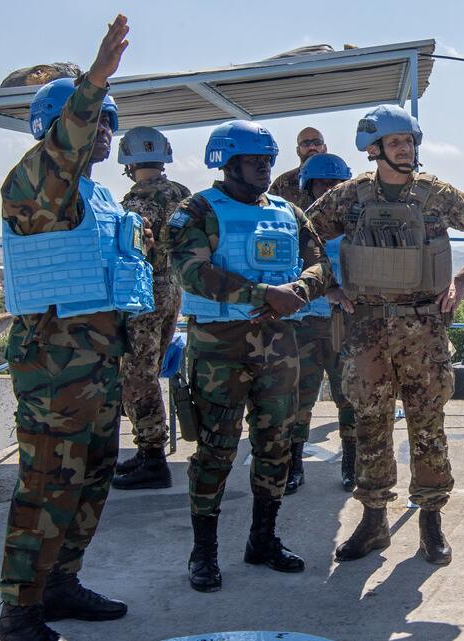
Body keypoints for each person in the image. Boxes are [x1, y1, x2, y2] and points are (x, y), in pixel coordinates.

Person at [0, 16, 143, 640]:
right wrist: (95, 80)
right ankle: (18, 615)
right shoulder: (37, 182)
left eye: (109, 120)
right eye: (93, 120)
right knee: (47, 486)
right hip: (54, 367)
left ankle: (60, 584)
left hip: (98, 364)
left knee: (92, 479)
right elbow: (64, 149)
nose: (103, 130)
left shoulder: (97, 196)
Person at [306, 104, 464, 567]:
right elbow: (303, 232)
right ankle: (374, 521)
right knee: (370, 422)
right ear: (374, 149)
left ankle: (431, 521)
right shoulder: (349, 197)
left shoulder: (436, 195)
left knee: (428, 424)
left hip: (423, 326)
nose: (405, 149)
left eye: (409, 141)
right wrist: (328, 285)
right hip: (367, 326)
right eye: (395, 142)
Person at [169, 120, 331, 592]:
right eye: (253, 160)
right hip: (219, 346)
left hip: (279, 345)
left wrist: (299, 290)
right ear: (226, 162)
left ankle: (263, 539)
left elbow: (320, 264)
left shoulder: (288, 211)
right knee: (216, 449)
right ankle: (204, 553)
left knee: (275, 444)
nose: (264, 168)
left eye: (268, 160)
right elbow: (191, 272)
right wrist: (262, 294)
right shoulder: (198, 210)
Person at [111, 126, 191, 490]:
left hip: (144, 294)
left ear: (128, 163)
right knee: (150, 369)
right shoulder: (183, 194)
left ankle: (154, 457)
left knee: (137, 375)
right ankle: (147, 452)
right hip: (173, 289)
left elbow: (130, 251)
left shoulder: (135, 203)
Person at [284, 152, 358, 493]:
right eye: (322, 184)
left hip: (346, 323)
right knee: (300, 397)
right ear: (309, 187)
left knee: (350, 395)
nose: (329, 190)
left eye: (335, 184)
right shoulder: (297, 227)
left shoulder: (357, 228)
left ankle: (352, 462)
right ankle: (294, 463)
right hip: (305, 323)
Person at [270, 126, 328, 210]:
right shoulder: (282, 183)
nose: (312, 147)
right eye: (306, 144)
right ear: (298, 150)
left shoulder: (337, 179)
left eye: (317, 142)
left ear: (325, 148)